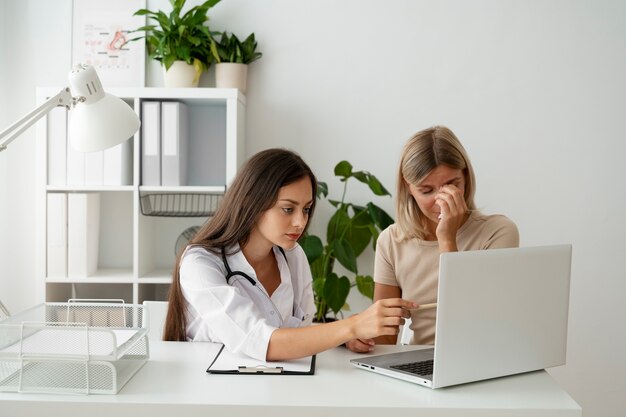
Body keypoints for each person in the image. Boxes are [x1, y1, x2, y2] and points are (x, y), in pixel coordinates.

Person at [163, 148, 416, 361]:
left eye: (306, 209)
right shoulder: (200, 263)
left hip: (279, 388)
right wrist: (351, 326)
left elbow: (298, 331)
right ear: (252, 201)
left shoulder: (292, 256)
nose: (300, 222)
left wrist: (345, 338)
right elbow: (260, 341)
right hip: (212, 392)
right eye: (287, 209)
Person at [346, 126, 519, 353]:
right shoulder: (391, 241)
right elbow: (385, 340)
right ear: (409, 188)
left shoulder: (498, 233)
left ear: (465, 176)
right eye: (426, 190)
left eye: (451, 185)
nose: (441, 202)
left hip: (480, 359)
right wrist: (358, 338)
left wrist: (447, 239)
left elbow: (477, 326)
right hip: (419, 364)